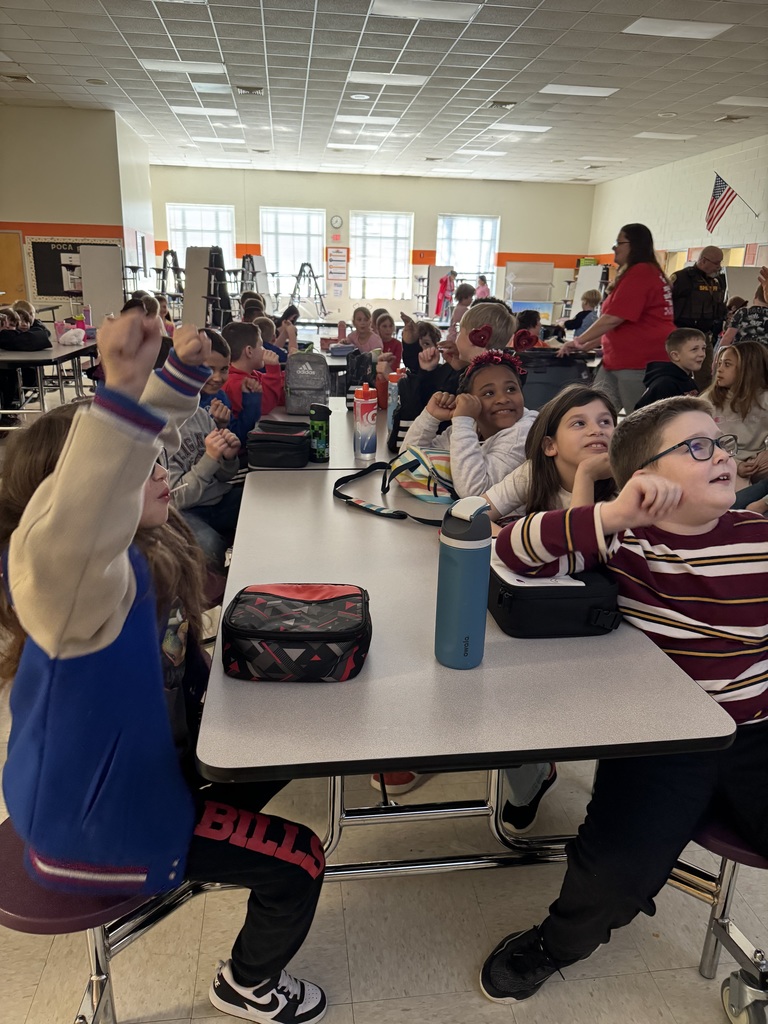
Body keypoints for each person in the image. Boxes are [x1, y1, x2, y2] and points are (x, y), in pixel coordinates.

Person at [0, 309, 328, 1024]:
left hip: (146, 776)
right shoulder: (73, 594)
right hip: (100, 827)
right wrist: (120, 395)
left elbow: (112, 490)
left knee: (298, 748)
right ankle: (247, 985)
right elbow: (76, 525)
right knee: (299, 860)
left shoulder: (137, 557)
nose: (158, 469)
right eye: (131, 466)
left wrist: (172, 382)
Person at [481, 394, 767, 1007]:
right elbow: (510, 552)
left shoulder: (758, 536)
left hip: (756, 731)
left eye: (720, 443)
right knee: (612, 872)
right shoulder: (623, 543)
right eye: (697, 447)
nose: (722, 455)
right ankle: (555, 945)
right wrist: (611, 513)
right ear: (644, 475)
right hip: (663, 739)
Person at [481, 384, 618, 831]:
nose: (597, 430)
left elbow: (582, 554)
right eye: (579, 422)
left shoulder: (626, 488)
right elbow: (473, 514)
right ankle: (534, 774)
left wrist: (586, 477)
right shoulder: (534, 474)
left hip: (600, 633)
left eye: (606, 422)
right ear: (549, 445)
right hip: (542, 615)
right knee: (495, 685)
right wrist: (497, 531)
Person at [560, 223, 675, 414]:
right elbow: (619, 324)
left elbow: (614, 318)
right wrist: (588, 345)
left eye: (619, 243)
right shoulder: (642, 273)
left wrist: (579, 340)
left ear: (634, 245)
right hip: (616, 360)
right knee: (595, 412)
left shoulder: (642, 273)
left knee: (638, 420)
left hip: (638, 361)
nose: (614, 248)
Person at [402, 349, 536, 496]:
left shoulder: (524, 433)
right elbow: (405, 463)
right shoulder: (469, 427)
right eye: (489, 393)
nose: (503, 399)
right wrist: (430, 417)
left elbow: (476, 493)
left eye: (511, 389)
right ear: (469, 401)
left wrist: (462, 421)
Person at [701, 341, 768, 484]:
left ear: (747, 370)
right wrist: (736, 465)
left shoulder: (764, 398)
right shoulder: (707, 401)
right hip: (719, 461)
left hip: (757, 463)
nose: (719, 370)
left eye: (727, 364)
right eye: (719, 363)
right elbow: (701, 444)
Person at [671, 246, 726, 387]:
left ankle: (702, 399)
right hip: (682, 335)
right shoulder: (681, 278)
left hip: (705, 335)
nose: (719, 266)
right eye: (716, 263)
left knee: (705, 377)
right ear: (703, 260)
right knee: (677, 374)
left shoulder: (717, 282)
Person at [198, 328, 261, 446]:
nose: (217, 378)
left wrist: (250, 401)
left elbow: (238, 438)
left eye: (224, 369)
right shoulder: (179, 402)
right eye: (209, 369)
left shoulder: (220, 397)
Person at [634, 328, 706, 409]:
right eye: (694, 349)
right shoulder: (665, 385)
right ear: (675, 355)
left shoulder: (689, 381)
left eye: (703, 349)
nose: (702, 354)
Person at [220, 322, 266, 417]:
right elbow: (264, 408)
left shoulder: (254, 375)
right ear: (249, 351)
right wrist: (273, 371)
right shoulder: (235, 384)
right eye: (261, 345)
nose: (264, 350)